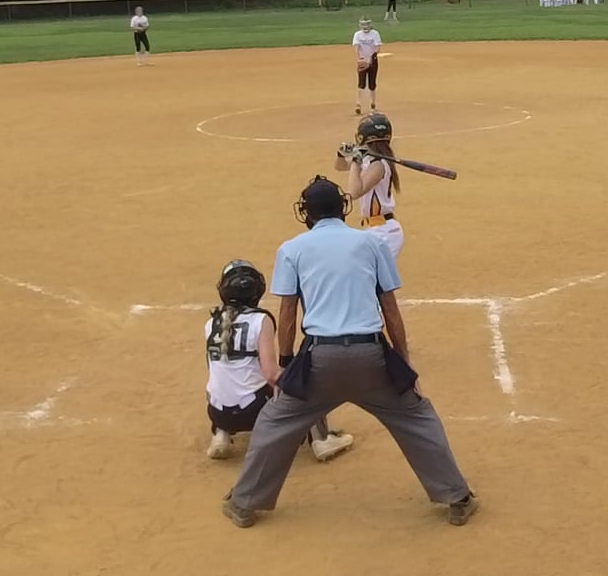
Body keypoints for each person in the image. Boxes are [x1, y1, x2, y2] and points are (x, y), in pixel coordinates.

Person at [222, 177, 477, 529]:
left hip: (319, 362)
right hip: (371, 357)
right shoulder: (372, 243)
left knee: (274, 423)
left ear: (306, 213)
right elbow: (390, 310)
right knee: (417, 417)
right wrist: (404, 365)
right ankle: (457, 498)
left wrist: (286, 365)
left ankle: (244, 503)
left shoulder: (292, 249)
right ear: (342, 208)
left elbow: (288, 312)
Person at [204, 260, 353, 463]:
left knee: (222, 380)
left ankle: (221, 434)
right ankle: (321, 440)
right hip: (254, 413)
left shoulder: (211, 323)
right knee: (304, 377)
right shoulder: (260, 320)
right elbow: (272, 374)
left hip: (217, 413)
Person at [334, 112, 403, 260]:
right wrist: (341, 154)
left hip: (384, 232)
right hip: (376, 230)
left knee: (366, 272)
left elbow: (354, 192)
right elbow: (340, 166)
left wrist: (356, 160)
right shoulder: (369, 160)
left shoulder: (378, 165)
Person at [352, 17, 382, 116]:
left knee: (372, 83)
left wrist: (371, 58)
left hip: (373, 61)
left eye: (367, 24)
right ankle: (358, 104)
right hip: (362, 61)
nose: (365, 26)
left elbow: (377, 47)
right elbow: (357, 47)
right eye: (363, 24)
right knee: (361, 83)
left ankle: (373, 105)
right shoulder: (357, 34)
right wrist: (360, 58)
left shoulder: (375, 34)